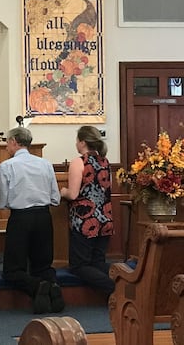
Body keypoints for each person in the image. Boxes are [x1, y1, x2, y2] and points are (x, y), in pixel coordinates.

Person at [0, 127, 64, 314]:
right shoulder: (45, 164)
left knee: (12, 270)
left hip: (20, 219)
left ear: (14, 142)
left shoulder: (6, 166)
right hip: (44, 216)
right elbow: (55, 198)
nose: (6, 146)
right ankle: (52, 286)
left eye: (7, 141)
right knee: (43, 265)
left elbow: (2, 201)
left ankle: (37, 287)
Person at [60, 125, 115, 297]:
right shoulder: (105, 162)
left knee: (79, 265)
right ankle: (123, 281)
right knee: (98, 262)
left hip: (85, 220)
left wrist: (62, 192)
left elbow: (73, 193)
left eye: (77, 140)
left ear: (82, 142)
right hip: (105, 217)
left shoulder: (79, 162)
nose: (76, 144)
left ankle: (113, 288)